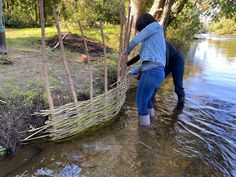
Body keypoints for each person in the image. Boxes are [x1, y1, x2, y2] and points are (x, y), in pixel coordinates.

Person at [122, 13, 166, 126]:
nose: (140, 32)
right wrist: (132, 71)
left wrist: (126, 50)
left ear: (144, 25)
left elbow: (137, 38)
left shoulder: (155, 26)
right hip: (156, 72)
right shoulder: (154, 40)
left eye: (140, 29)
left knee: (140, 102)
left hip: (152, 72)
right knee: (147, 100)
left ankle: (144, 134)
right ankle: (152, 123)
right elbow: (146, 62)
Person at [127, 41, 185, 110]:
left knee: (178, 86)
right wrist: (127, 64)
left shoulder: (162, 43)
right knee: (153, 83)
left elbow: (164, 59)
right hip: (165, 63)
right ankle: (151, 102)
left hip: (176, 62)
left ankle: (180, 107)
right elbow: (139, 57)